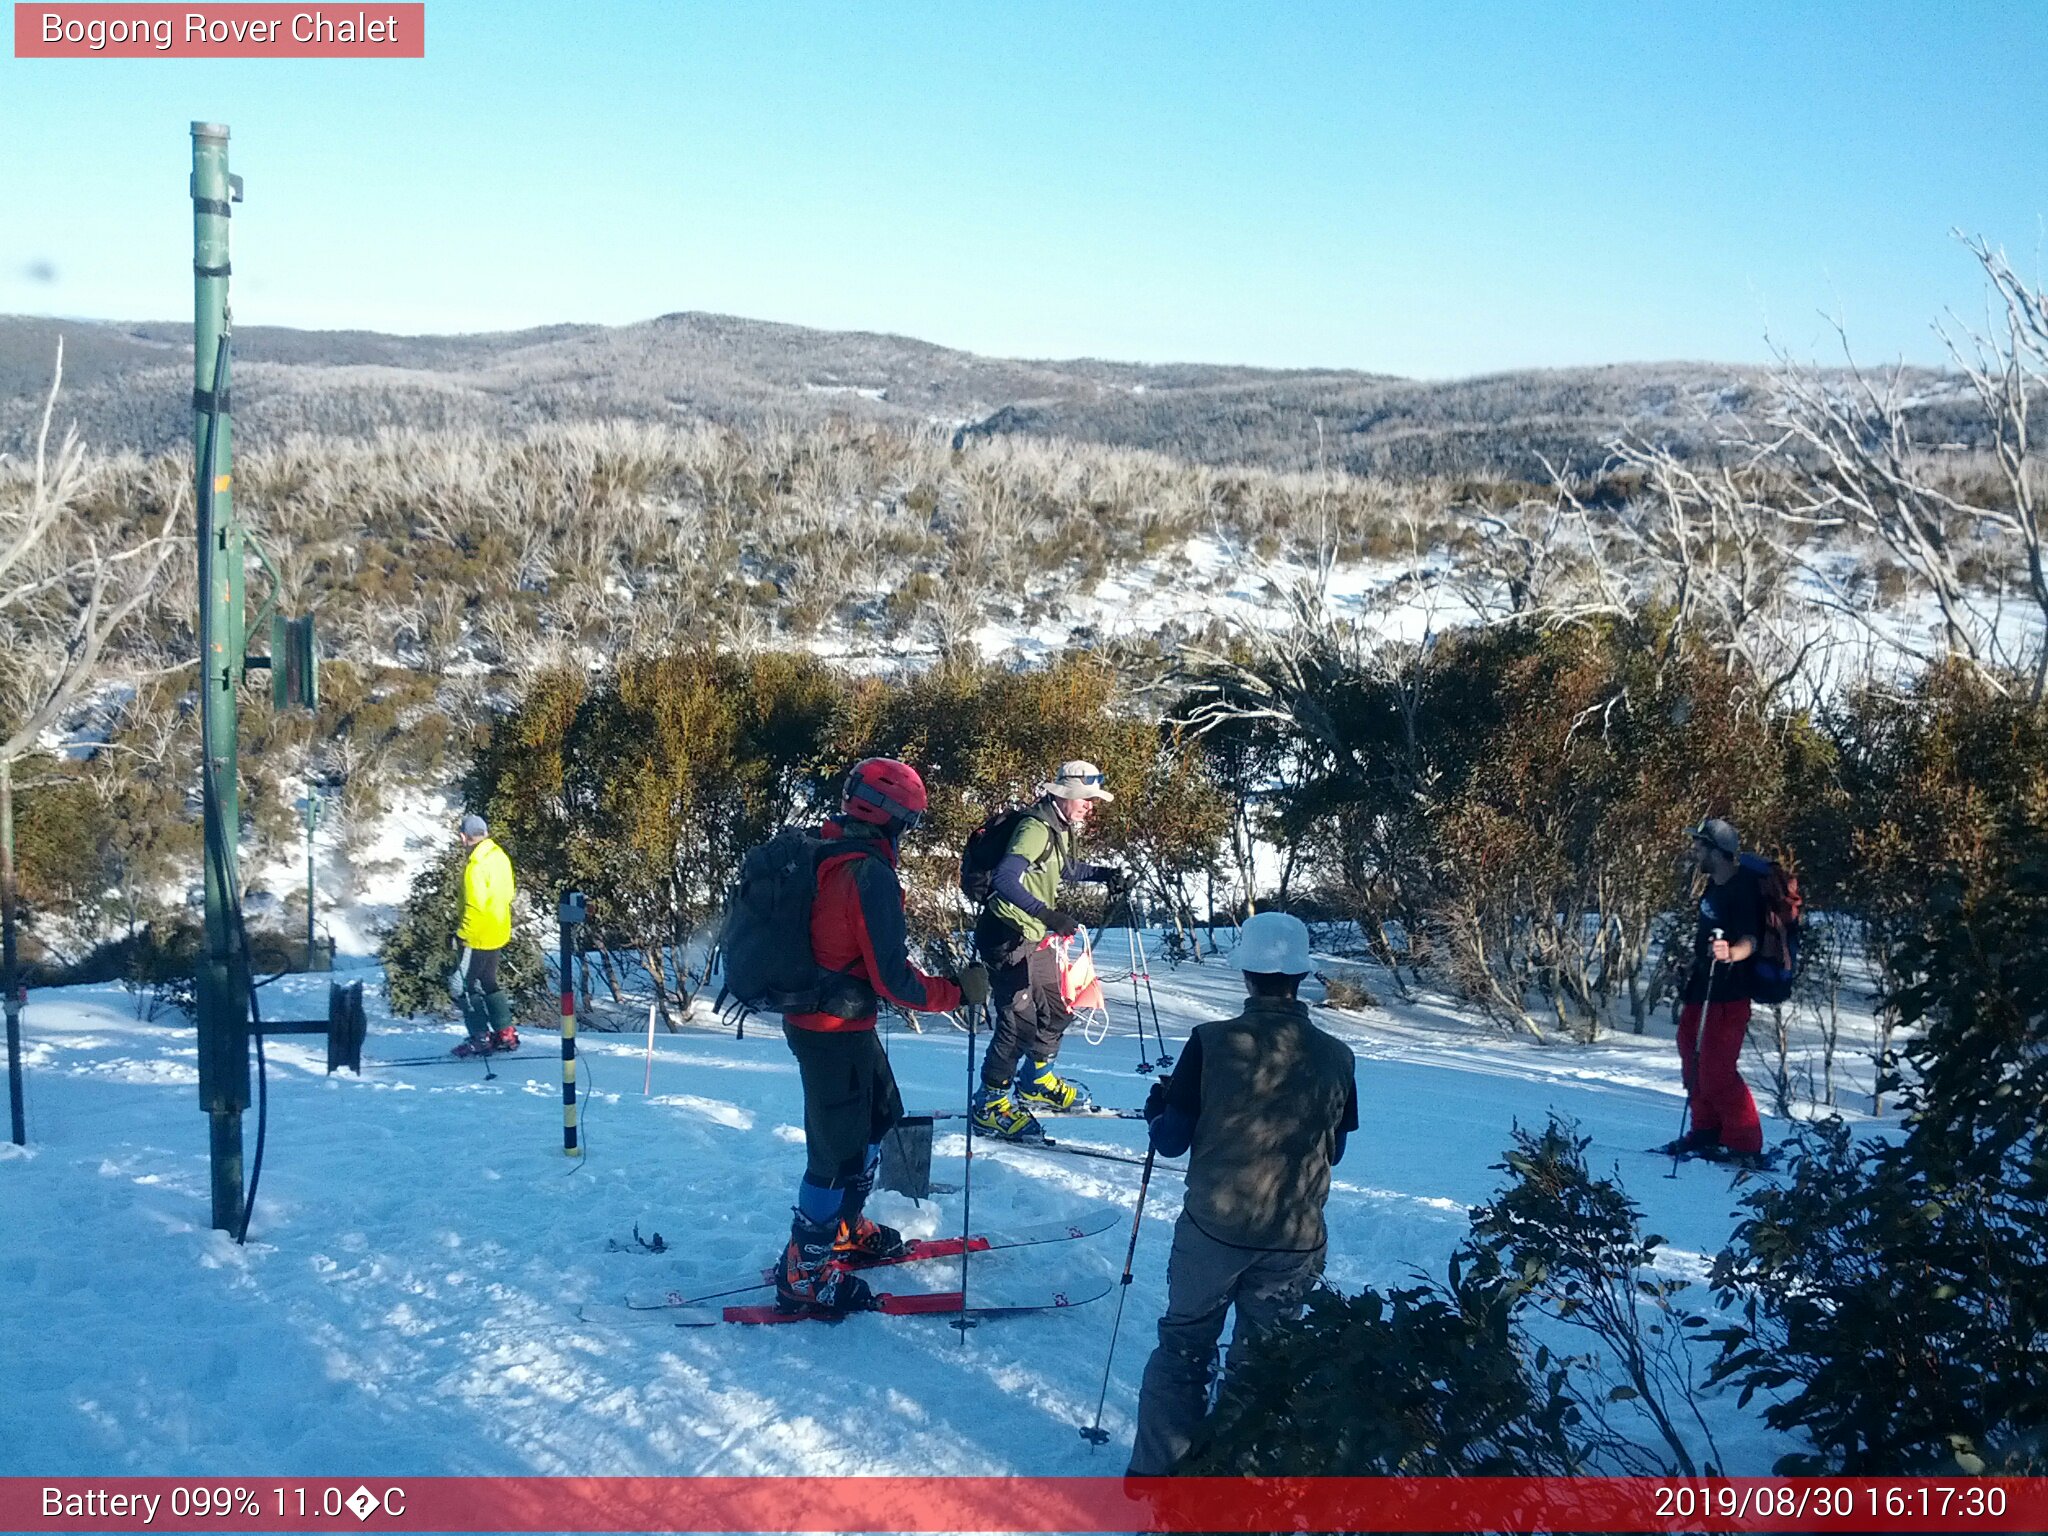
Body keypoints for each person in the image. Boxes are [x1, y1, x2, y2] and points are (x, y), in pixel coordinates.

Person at [1126, 911, 1359, 1476]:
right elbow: (1335, 1151)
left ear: (1247, 975)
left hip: (1214, 1230)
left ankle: (1158, 1475)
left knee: (1184, 1348)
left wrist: (1160, 1109)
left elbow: (1173, 1141)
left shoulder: (1210, 1042)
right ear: (1301, 976)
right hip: (1296, 1239)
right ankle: (1242, 1480)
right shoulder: (1339, 1056)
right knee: (1264, 1362)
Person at [776, 757, 991, 1316]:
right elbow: (893, 981)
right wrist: (956, 993)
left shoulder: (826, 847)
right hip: (830, 1031)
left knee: (879, 1116)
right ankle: (805, 1271)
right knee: (835, 1151)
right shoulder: (865, 874)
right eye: (910, 822)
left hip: (842, 1022)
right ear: (890, 818)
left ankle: (843, 1228)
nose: (909, 833)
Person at [969, 760, 1128, 1138]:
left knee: (1057, 1011)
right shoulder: (1034, 828)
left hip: (1033, 936)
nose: (1091, 806)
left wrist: (1104, 874)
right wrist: (1049, 915)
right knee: (1018, 1021)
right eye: (1087, 799)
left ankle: (1036, 1081)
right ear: (1068, 795)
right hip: (1006, 936)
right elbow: (1006, 878)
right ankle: (990, 1104)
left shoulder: (1056, 826)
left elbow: (1064, 869)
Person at [1659, 817, 1767, 1167]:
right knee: (1691, 1059)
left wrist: (1731, 953)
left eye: (1700, 846)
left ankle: (1743, 1142)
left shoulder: (1743, 889)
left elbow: (1752, 939)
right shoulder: (1713, 887)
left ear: (1718, 852)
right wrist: (1693, 964)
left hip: (1729, 994)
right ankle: (1705, 1130)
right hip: (1701, 988)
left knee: (1717, 1070)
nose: (1695, 851)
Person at [451, 814, 518, 1058]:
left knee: (462, 986)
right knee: (488, 980)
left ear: (463, 837)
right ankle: (505, 1032)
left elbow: (475, 906)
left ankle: (480, 1037)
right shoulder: (499, 856)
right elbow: (509, 892)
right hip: (498, 930)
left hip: (477, 935)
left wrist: (462, 934)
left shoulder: (475, 866)